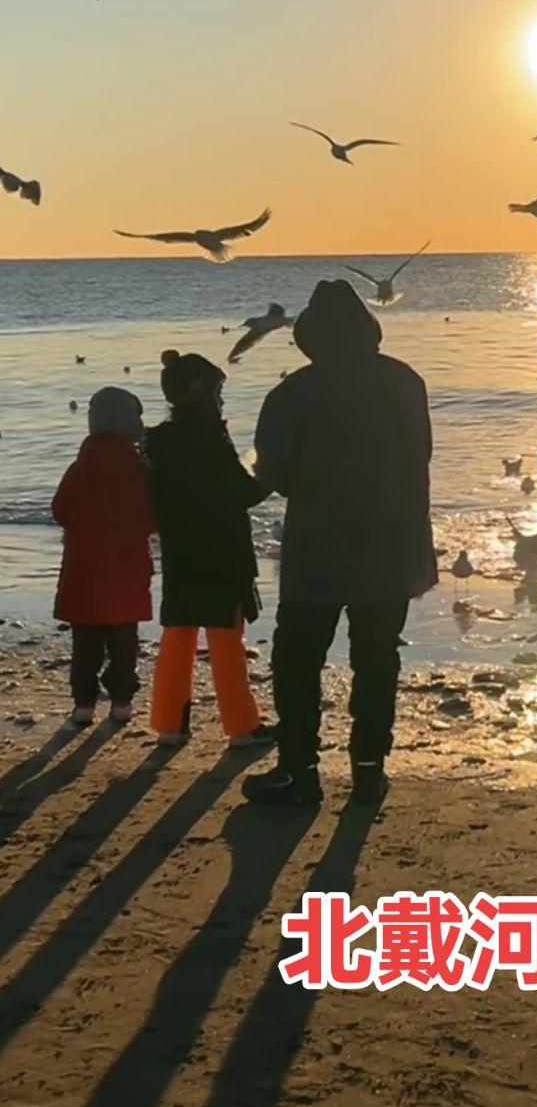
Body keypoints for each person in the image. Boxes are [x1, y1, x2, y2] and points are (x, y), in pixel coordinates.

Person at [244, 278, 437, 809]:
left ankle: (300, 770)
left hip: (320, 544)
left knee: (298, 658)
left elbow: (274, 470)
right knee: (377, 658)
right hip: (393, 543)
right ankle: (370, 770)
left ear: (309, 337)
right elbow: (421, 454)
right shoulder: (406, 381)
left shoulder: (292, 393)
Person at [145, 349, 275, 750]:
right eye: (218, 393)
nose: (220, 402)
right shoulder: (210, 440)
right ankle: (241, 726)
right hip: (222, 554)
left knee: (177, 636)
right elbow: (242, 493)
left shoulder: (156, 441)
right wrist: (270, 473)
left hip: (181, 553)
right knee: (225, 640)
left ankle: (169, 724)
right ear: (199, 393)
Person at [52, 386, 156, 727]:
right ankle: (122, 704)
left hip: (83, 573)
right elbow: (153, 516)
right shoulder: (139, 470)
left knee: (85, 645)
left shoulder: (80, 468)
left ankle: (83, 706)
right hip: (126, 573)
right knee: (124, 643)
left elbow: (61, 510)